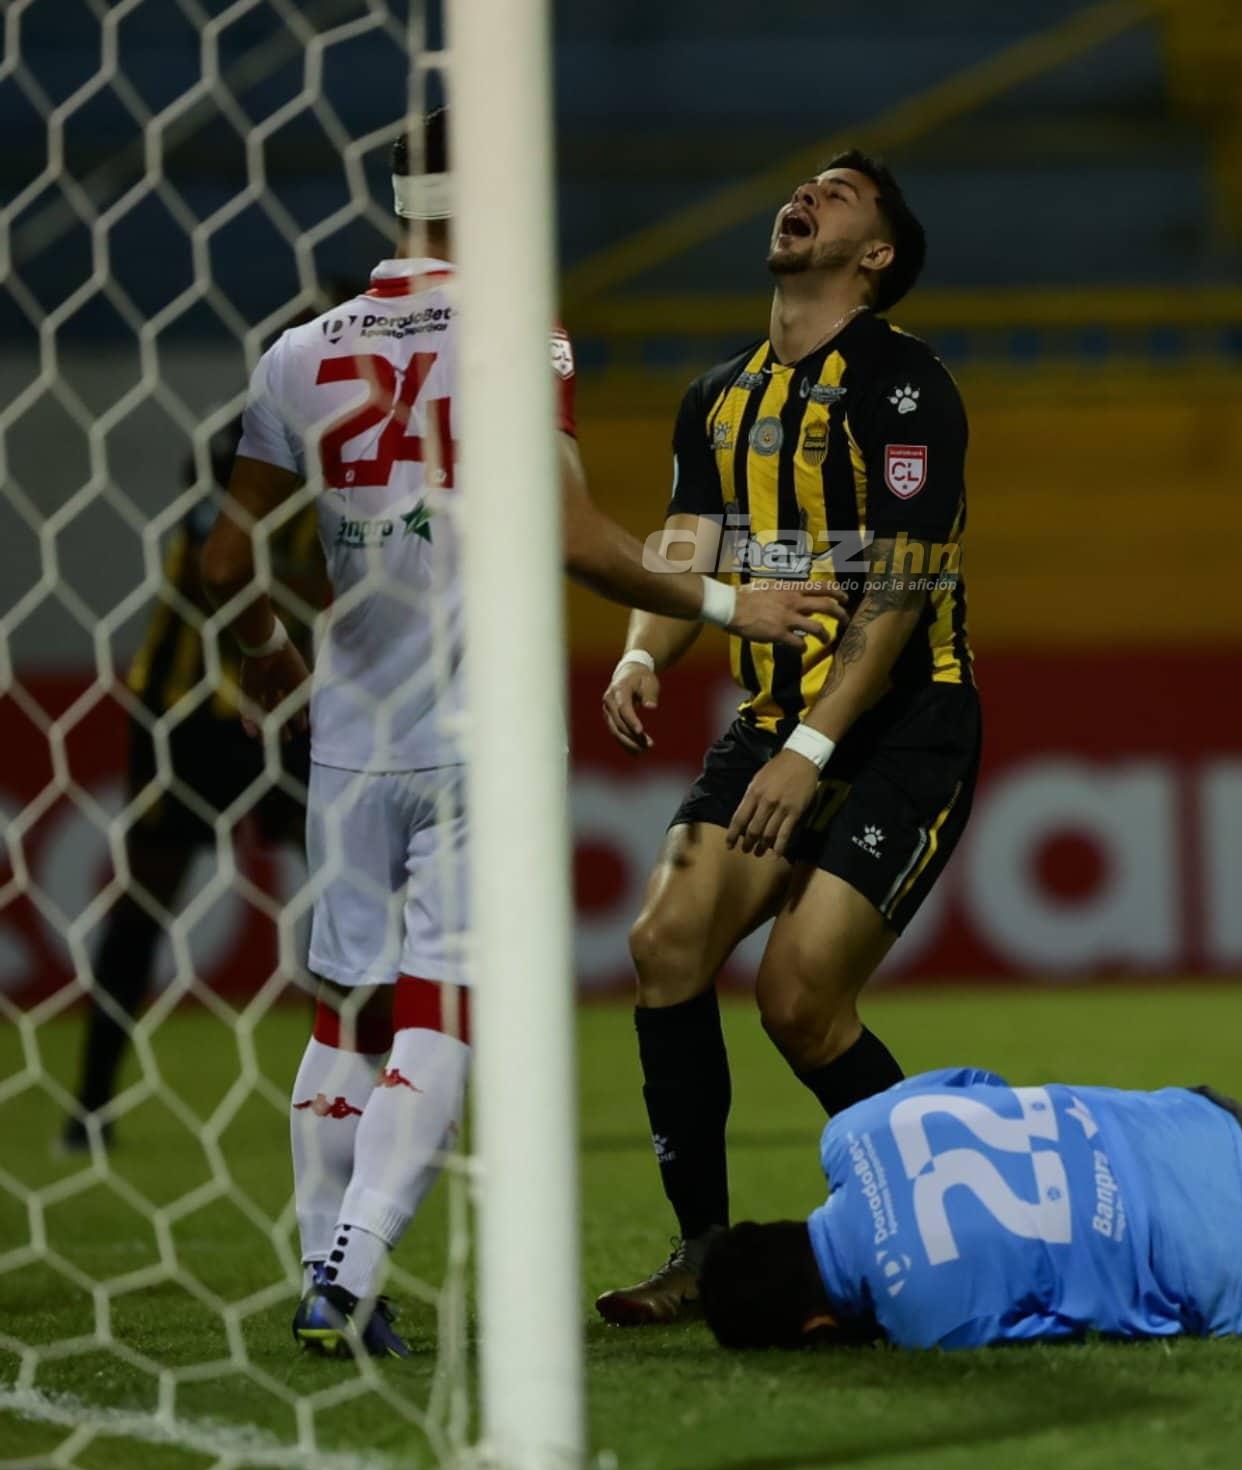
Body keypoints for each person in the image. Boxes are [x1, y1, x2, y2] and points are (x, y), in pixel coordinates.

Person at [200, 107, 848, 1358]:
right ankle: (348, 1270)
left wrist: (271, 658)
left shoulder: (298, 353)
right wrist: (732, 604)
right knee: (444, 1003)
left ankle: (328, 1268)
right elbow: (571, 538)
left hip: (349, 725)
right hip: (477, 724)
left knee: (341, 1013)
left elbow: (225, 559)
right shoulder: (516, 332)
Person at [596, 151, 980, 1324]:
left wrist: (809, 752)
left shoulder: (907, 388)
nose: (806, 196)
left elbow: (901, 594)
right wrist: (639, 652)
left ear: (875, 259)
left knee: (800, 997)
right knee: (665, 943)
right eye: (805, 183)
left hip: (902, 726)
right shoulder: (719, 395)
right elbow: (684, 548)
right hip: (772, 722)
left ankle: (957, 1229)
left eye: (843, 195)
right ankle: (702, 1250)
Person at [58, 415, 325, 1154]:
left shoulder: (342, 475)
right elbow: (226, 557)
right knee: (146, 901)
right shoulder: (238, 455)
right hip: (182, 719)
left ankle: (362, 1091)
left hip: (280, 715)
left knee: (349, 890)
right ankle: (88, 1106)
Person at [699, 1066, 1242, 1351]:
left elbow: (1069, 1329)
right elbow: (982, 1085)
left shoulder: (931, 1323)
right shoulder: (853, 1130)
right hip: (1231, 1125)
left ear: (817, 1330)